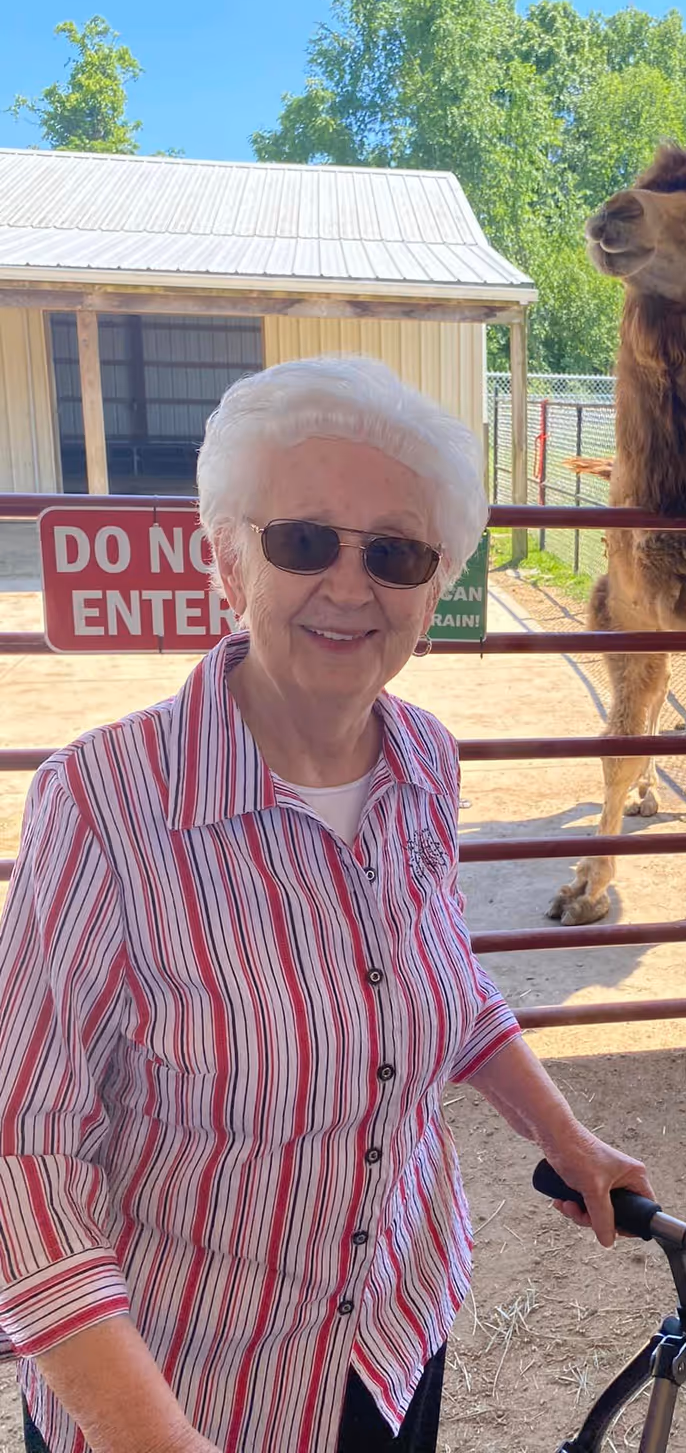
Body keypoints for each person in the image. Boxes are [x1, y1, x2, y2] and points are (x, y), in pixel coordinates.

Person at [0, 356, 651, 1453]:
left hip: (391, 1335)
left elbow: (444, 975)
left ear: (433, 585)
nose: (351, 587)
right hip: (188, 1380)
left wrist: (563, 1131)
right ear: (224, 558)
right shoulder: (104, 805)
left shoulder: (425, 762)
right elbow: (26, 1158)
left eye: (395, 552)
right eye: (303, 540)